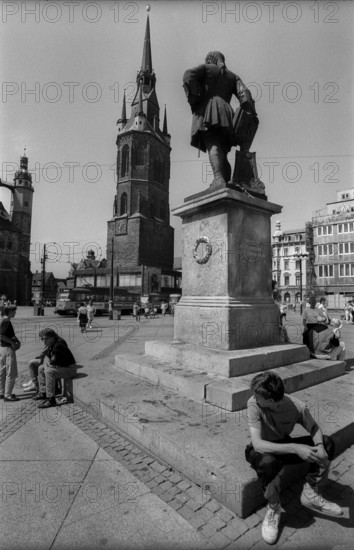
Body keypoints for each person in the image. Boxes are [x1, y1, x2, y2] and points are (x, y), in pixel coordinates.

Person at [245, 371, 342, 545]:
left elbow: (314, 428)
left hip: (284, 446)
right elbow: (258, 444)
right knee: (268, 463)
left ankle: (311, 492)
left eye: (258, 397)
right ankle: (273, 507)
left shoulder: (297, 407)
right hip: (261, 450)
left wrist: (319, 447)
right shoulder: (253, 404)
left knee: (327, 443)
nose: (254, 398)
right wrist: (296, 448)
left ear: (272, 402)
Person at [183, 51, 258, 187]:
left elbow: (188, 75)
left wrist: (196, 97)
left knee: (213, 144)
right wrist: (248, 115)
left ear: (210, 60)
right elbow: (245, 94)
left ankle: (218, 178)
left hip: (210, 110)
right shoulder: (233, 76)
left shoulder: (207, 68)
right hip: (227, 115)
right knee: (223, 152)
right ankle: (227, 182)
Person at [35, 329, 77, 408]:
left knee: (49, 372)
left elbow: (53, 365)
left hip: (70, 369)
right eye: (42, 339)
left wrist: (47, 364)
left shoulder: (58, 345)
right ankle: (44, 393)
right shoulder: (52, 344)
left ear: (51, 338)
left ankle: (51, 399)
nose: (43, 341)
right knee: (41, 368)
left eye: (44, 339)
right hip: (62, 367)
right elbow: (48, 359)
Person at [0, 305, 21, 401]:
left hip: (2, 348)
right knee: (11, 372)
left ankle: (1, 392)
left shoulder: (3, 321)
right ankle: (7, 395)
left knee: (3, 371)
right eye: (14, 311)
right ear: (9, 312)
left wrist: (16, 339)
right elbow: (2, 335)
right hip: (8, 349)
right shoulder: (6, 322)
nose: (15, 313)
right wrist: (12, 343)